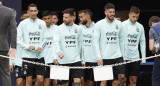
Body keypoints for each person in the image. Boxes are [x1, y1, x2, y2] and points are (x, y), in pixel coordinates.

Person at [93, 3, 125, 86]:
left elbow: (122, 40)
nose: (112, 14)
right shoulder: (99, 24)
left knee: (121, 78)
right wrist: (99, 57)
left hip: (118, 57)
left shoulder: (119, 24)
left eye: (113, 12)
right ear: (105, 12)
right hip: (104, 57)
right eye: (110, 12)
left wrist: (123, 55)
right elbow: (95, 42)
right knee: (103, 81)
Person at [17, 4, 47, 86]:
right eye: (31, 11)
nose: (33, 13)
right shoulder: (22, 24)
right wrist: (27, 46)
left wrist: (41, 47)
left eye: (35, 11)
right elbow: (17, 39)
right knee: (28, 80)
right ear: (28, 12)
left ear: (37, 12)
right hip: (27, 56)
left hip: (39, 56)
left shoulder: (42, 23)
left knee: (40, 80)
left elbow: (46, 39)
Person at [53, 8, 83, 86]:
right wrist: (59, 52)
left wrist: (81, 58)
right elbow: (55, 42)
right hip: (62, 61)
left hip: (76, 61)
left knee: (77, 82)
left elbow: (80, 43)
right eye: (63, 17)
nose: (64, 19)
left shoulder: (78, 28)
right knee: (63, 84)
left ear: (72, 18)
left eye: (66, 17)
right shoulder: (58, 29)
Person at [122, 6, 146, 86]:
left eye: (137, 17)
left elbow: (142, 42)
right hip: (124, 58)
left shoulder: (140, 27)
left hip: (135, 58)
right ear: (129, 15)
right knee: (123, 81)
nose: (135, 19)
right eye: (133, 16)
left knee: (134, 80)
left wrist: (143, 58)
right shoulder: (122, 25)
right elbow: (119, 42)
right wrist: (121, 56)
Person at [0, 0, 17, 86]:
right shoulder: (9, 11)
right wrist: (13, 47)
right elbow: (14, 30)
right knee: (6, 74)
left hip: (3, 48)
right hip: (3, 47)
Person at [79, 9, 97, 86]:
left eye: (81, 17)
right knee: (81, 80)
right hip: (81, 60)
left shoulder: (97, 27)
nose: (80, 19)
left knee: (90, 82)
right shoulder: (79, 28)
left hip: (93, 59)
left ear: (88, 16)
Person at [41, 11, 58, 86]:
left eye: (49, 18)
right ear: (42, 19)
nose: (47, 20)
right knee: (46, 82)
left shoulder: (57, 29)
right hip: (44, 60)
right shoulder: (40, 29)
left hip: (56, 60)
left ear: (52, 19)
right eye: (45, 19)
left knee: (56, 81)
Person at [149, 16, 160, 86]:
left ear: (152, 23)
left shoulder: (152, 29)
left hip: (159, 56)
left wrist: (155, 49)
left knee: (156, 78)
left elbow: (151, 48)